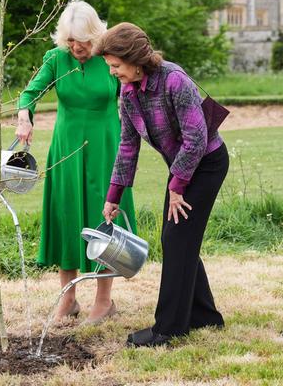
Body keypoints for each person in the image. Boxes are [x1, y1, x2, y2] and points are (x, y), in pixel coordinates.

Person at [95, 22, 228, 347]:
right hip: (182, 167)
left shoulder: (174, 80)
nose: (112, 72)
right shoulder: (128, 92)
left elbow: (196, 138)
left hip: (206, 163)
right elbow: (128, 145)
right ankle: (205, 316)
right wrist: (114, 195)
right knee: (179, 239)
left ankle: (168, 329)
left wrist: (177, 186)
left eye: (115, 65)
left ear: (135, 59)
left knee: (176, 238)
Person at [15, 0, 137, 323]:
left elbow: (134, 93)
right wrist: (24, 116)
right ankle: (68, 299)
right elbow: (29, 94)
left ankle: (104, 301)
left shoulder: (110, 59)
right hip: (66, 149)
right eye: (70, 40)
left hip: (105, 147)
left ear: (94, 34)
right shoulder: (56, 59)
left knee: (104, 218)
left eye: (81, 40)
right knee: (66, 214)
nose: (75, 47)